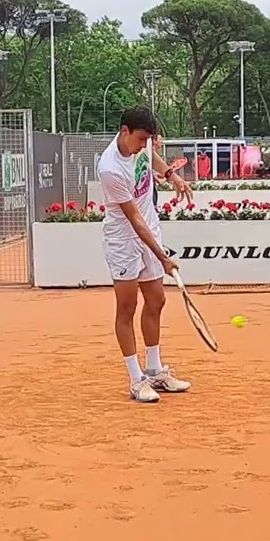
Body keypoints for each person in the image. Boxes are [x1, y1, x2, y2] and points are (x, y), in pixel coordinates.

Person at [99, 106, 195, 403]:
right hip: (124, 239)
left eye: (149, 139)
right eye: (141, 139)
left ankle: (154, 370)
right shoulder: (110, 168)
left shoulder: (144, 143)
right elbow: (133, 220)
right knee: (127, 307)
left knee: (157, 299)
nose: (145, 145)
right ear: (124, 131)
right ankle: (136, 378)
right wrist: (163, 256)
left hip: (148, 226)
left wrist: (170, 175)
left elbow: (150, 156)